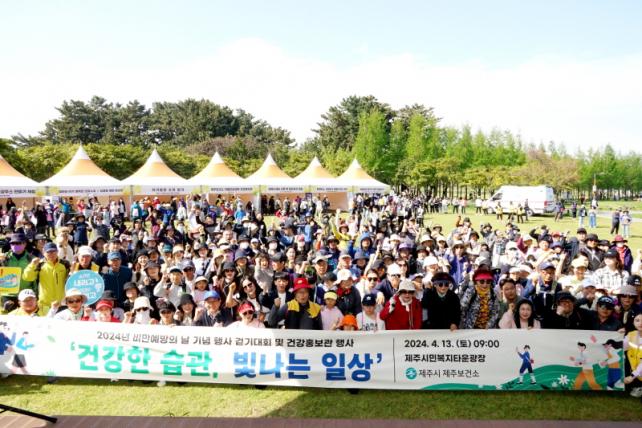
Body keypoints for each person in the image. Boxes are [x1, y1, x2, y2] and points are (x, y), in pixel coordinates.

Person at [22, 242, 69, 314]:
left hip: (62, 304)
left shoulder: (65, 264)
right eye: (48, 252)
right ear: (43, 253)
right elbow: (27, 277)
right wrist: (32, 265)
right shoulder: (39, 264)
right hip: (45, 304)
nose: (51, 254)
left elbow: (70, 279)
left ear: (57, 251)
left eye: (53, 251)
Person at [623, 313, 642, 397]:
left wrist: (632, 376)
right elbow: (621, 348)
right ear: (633, 323)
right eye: (637, 320)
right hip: (635, 369)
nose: (640, 323)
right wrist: (618, 335)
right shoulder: (631, 334)